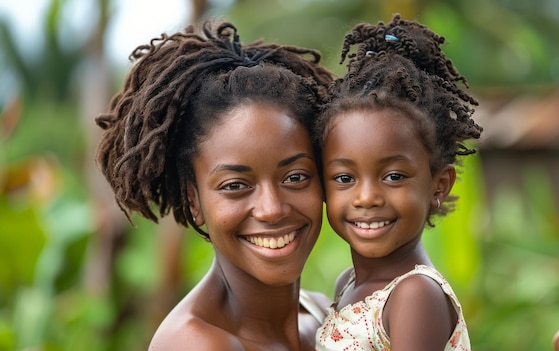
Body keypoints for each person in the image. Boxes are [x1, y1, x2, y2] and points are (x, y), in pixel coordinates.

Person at [94, 19, 334, 350]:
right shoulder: (196, 343)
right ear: (193, 200)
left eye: (295, 177)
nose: (272, 208)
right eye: (235, 185)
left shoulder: (325, 316)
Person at [314, 14, 483, 350]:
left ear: (439, 185)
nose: (366, 197)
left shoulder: (415, 295)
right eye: (344, 178)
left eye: (393, 176)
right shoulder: (347, 284)